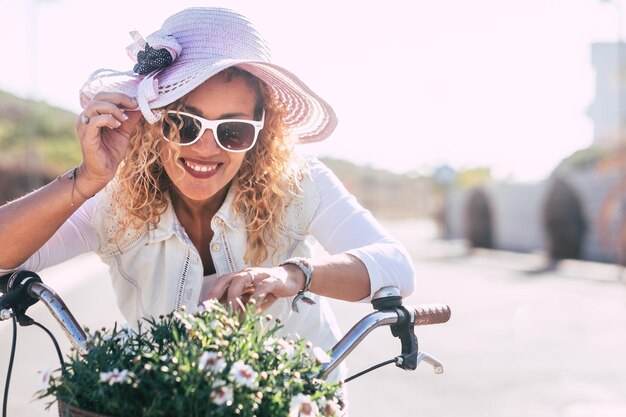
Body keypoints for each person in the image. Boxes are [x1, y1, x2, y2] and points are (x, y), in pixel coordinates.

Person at [0, 7, 414, 376]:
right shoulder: (113, 199)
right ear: (152, 120)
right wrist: (87, 181)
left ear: (262, 132)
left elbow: (394, 265)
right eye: (185, 123)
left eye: (233, 130)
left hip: (294, 399)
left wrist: (292, 274)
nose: (205, 148)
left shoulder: (299, 181)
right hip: (163, 396)